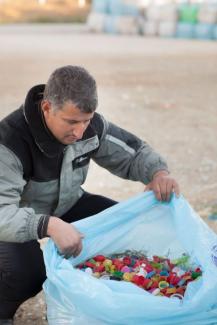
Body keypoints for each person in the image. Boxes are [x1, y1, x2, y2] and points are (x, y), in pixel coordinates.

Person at [0, 65, 179, 324]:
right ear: (47, 107)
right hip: (15, 215)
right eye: (71, 122)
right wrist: (47, 225)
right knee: (26, 274)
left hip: (65, 203)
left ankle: (92, 308)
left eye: (86, 120)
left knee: (124, 230)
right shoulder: (9, 141)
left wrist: (158, 173)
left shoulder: (90, 126)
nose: (80, 131)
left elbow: (134, 153)